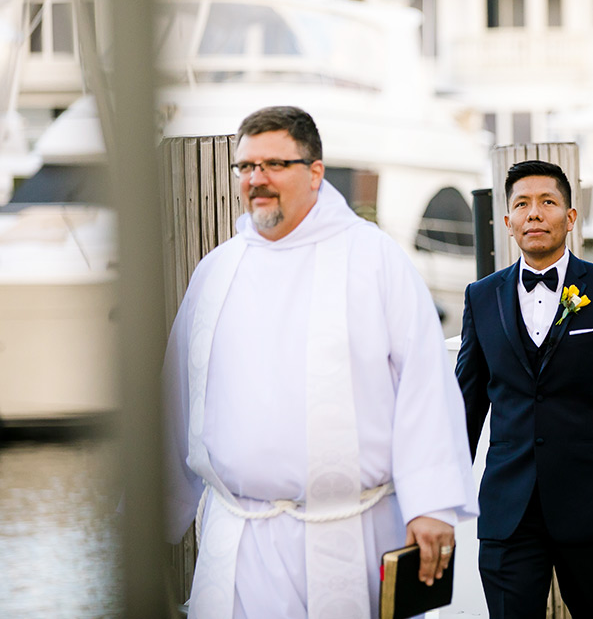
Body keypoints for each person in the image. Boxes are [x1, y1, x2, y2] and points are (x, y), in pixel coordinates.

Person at [163, 106, 477, 619]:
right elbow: (177, 397)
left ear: (315, 171)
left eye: (273, 165)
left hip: (350, 535)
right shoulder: (217, 271)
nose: (256, 180)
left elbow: (423, 386)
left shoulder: (375, 259)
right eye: (245, 167)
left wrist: (431, 506)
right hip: (238, 541)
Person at [455, 160, 593, 619]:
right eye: (522, 205)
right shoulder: (481, 296)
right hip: (507, 509)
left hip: (591, 503)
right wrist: (439, 490)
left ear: (570, 218)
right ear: (507, 221)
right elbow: (465, 406)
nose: (534, 214)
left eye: (547, 202)